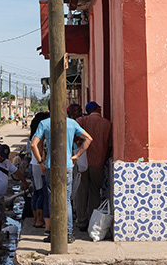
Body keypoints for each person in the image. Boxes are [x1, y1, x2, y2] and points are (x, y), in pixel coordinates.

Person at [30, 112, 91, 243]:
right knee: (66, 200)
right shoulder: (72, 123)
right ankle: (68, 233)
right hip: (67, 165)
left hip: (50, 166)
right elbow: (88, 139)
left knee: (53, 200)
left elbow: (33, 144)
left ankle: (54, 232)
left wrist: (40, 162)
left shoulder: (44, 123)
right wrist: (77, 155)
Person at [75, 101, 113, 232]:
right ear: (97, 108)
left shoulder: (82, 120)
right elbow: (109, 146)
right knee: (95, 192)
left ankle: (81, 221)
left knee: (81, 191)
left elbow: (73, 135)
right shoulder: (107, 124)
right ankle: (92, 220)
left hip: (83, 162)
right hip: (98, 163)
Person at [27, 112, 50, 229]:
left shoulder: (34, 134)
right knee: (41, 193)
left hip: (34, 165)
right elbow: (41, 152)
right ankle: (39, 219)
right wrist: (42, 163)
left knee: (37, 192)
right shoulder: (39, 136)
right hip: (38, 166)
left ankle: (36, 219)